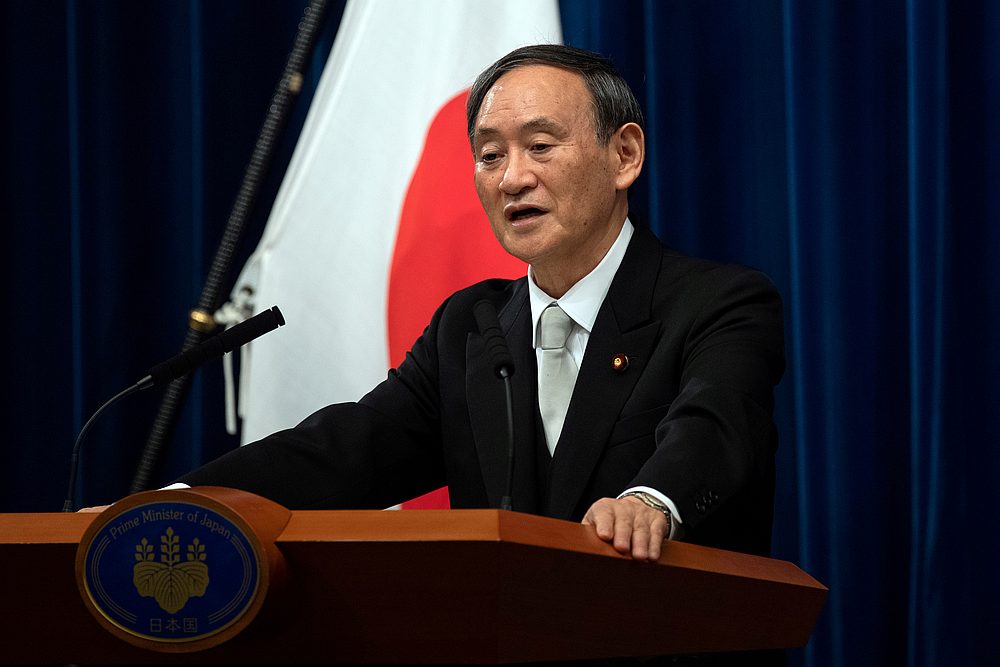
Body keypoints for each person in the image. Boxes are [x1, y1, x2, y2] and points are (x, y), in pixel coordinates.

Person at [170, 44, 784, 566]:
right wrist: (174, 502)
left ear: (624, 155)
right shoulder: (471, 327)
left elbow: (715, 427)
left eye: (540, 146)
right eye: (490, 156)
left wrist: (651, 501)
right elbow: (342, 452)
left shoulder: (718, 304)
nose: (512, 178)